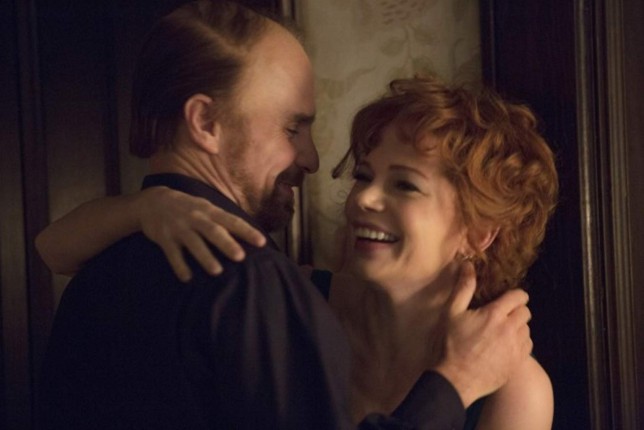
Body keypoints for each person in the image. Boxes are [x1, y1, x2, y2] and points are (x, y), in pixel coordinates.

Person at [36, 1, 534, 429]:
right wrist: (452, 386)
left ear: (480, 233)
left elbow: (51, 247)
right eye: (292, 128)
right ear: (205, 121)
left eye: (404, 184)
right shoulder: (259, 285)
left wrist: (144, 205)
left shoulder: (97, 267)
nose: (313, 161)